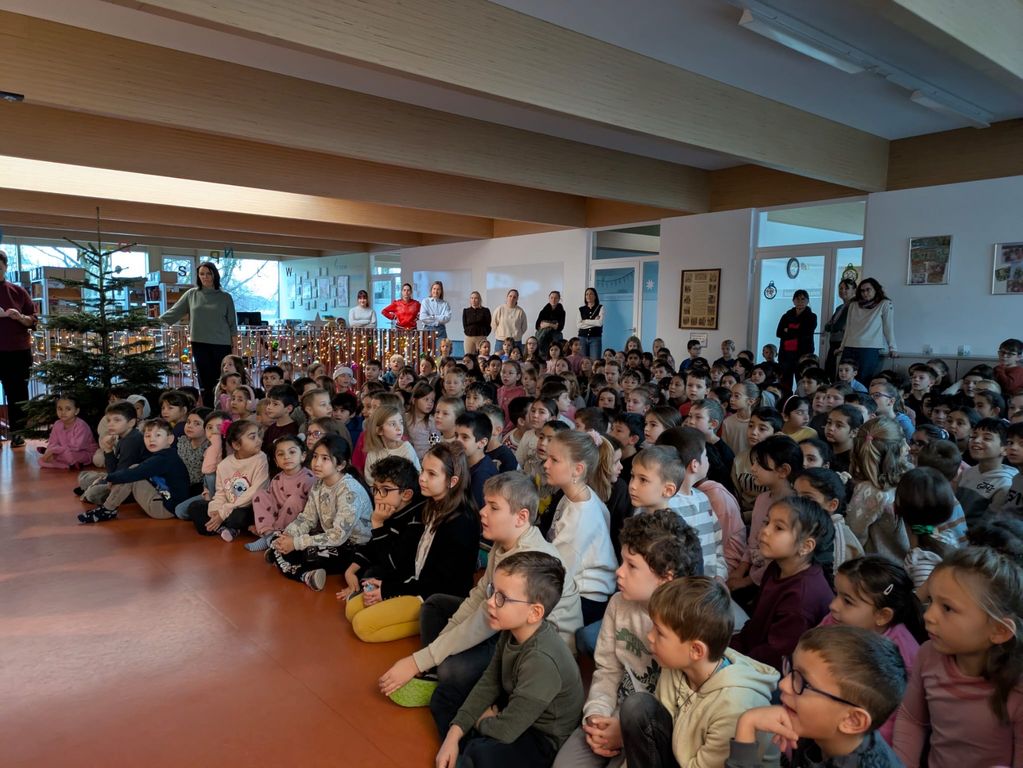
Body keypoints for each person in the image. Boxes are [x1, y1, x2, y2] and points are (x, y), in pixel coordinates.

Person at [379, 473, 583, 727]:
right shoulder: (503, 543)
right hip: (505, 624)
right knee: (435, 605)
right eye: (485, 504)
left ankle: (453, 678)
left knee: (452, 669)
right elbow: (480, 595)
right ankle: (438, 668)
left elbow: (483, 620)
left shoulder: (528, 561)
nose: (482, 512)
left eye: (493, 507)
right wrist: (438, 649)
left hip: (534, 651)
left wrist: (417, 661)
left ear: (521, 517)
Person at [553, 510, 702, 768]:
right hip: (612, 711)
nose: (618, 572)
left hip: (650, 733)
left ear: (665, 578)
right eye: (622, 561)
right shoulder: (618, 604)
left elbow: (678, 708)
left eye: (631, 566)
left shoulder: (686, 625)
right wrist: (596, 714)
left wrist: (623, 732)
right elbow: (608, 669)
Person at [435, 552, 584, 768]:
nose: (490, 602)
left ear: (534, 613)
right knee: (444, 695)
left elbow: (507, 730)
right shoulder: (511, 629)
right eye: (492, 591)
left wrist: (482, 721)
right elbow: (490, 682)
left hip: (542, 737)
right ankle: (467, 746)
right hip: (514, 705)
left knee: (481, 753)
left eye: (502, 598)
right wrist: (454, 735)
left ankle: (473, 747)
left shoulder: (542, 660)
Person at [619, 577, 778, 768]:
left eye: (659, 632)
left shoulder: (733, 707)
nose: (649, 636)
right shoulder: (677, 664)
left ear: (696, 650)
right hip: (683, 756)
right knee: (638, 708)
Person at [894, 542, 1023, 768]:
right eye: (930, 601)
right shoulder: (928, 655)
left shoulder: (1017, 690)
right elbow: (911, 719)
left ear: (999, 631)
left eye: (947, 608)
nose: (928, 615)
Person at [731, 625, 907, 767]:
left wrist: (747, 727)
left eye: (803, 682)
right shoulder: (821, 729)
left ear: (852, 720)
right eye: (791, 669)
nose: (784, 684)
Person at [821, 556, 925, 745]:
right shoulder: (835, 621)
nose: (833, 605)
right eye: (837, 594)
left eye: (847, 601)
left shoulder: (901, 659)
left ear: (882, 615)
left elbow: (888, 726)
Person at [730, 496, 835, 668]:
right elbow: (755, 627)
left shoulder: (802, 597)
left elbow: (775, 656)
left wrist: (727, 661)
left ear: (806, 546)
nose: (765, 530)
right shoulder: (776, 568)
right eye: (766, 522)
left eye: (778, 528)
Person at [267, 434, 372, 591]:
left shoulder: (349, 491)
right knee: (278, 537)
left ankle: (300, 572)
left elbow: (337, 536)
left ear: (340, 465)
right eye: (315, 456)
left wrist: (295, 543)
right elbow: (307, 518)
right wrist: (288, 536)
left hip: (354, 549)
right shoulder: (319, 485)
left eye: (325, 459)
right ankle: (283, 555)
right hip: (332, 540)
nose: (316, 463)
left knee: (306, 553)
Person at [544, 430, 618, 625]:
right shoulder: (576, 494)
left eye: (554, 460)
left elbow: (556, 570)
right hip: (573, 586)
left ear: (577, 470)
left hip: (585, 598)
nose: (546, 464)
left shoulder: (580, 516)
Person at [78, 417, 190, 523]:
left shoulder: (164, 458)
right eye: (147, 436)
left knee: (133, 473)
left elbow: (134, 473)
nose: (152, 439)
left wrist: (108, 477)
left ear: (170, 439)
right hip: (166, 503)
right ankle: (107, 506)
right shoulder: (165, 455)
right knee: (132, 471)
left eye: (158, 435)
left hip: (166, 508)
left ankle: (107, 509)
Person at [159, 261, 237, 410]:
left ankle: (224, 408)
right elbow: (174, 312)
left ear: (215, 275)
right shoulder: (191, 294)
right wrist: (153, 323)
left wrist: (234, 349)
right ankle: (208, 409)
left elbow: (233, 324)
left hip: (221, 344)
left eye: (208, 274)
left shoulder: (225, 297)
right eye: (202, 274)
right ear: (198, 276)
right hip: (199, 343)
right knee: (204, 379)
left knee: (222, 379)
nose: (205, 277)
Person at [188, 418, 269, 539]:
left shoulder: (261, 458)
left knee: (238, 516)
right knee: (195, 507)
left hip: (248, 507)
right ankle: (224, 529)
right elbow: (221, 494)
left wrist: (223, 513)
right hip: (228, 507)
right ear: (236, 445)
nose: (259, 440)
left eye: (258, 435)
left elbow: (255, 492)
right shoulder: (223, 465)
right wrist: (215, 510)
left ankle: (227, 527)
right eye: (252, 437)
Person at [248, 435, 316, 553]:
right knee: (260, 494)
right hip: (278, 517)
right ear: (276, 462)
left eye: (292, 452)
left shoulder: (309, 478)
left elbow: (312, 508)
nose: (286, 457)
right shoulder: (276, 479)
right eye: (281, 454)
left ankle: (276, 537)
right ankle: (269, 535)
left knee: (295, 500)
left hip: (297, 524)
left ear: (303, 456)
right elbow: (271, 503)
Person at [0, 250, 37, 446]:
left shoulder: (18, 291)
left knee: (18, 394)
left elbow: (33, 319)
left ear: (6, 267)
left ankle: (18, 433)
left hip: (17, 351)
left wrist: (20, 317)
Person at [838, 278, 896, 384]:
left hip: (869, 348)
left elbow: (888, 327)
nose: (865, 293)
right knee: (844, 379)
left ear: (876, 290)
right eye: (862, 290)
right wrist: (842, 347)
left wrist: (892, 347)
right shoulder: (854, 304)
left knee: (863, 379)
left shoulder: (885, 303)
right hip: (850, 345)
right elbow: (849, 327)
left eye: (868, 290)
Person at [37, 394, 97, 469]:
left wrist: (55, 451)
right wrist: (50, 450)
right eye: (60, 409)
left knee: (68, 455)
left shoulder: (81, 425)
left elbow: (76, 447)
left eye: (68, 409)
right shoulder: (57, 424)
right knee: (41, 460)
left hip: (83, 453)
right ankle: (69, 465)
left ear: (76, 411)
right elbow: (52, 442)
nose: (63, 412)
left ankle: (66, 463)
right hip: (63, 452)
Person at [776, 289, 818, 391]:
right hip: (786, 355)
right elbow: (779, 333)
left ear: (807, 301)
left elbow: (806, 333)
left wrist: (788, 330)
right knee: (785, 382)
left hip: (802, 354)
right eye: (797, 299)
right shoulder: (786, 316)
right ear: (793, 301)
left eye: (803, 299)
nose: (800, 301)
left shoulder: (812, 316)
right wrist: (796, 331)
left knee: (802, 380)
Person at [823, 278, 857, 380]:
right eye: (841, 288)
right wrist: (834, 326)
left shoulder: (854, 306)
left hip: (844, 343)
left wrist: (835, 326)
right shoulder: (840, 307)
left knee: (840, 373)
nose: (842, 291)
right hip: (834, 342)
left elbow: (838, 325)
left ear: (854, 290)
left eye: (846, 288)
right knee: (830, 370)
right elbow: (828, 326)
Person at [536, 290, 566, 357]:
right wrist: (553, 324)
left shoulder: (562, 312)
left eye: (556, 298)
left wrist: (547, 324)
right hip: (543, 337)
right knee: (543, 356)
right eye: (551, 297)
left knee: (555, 355)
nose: (553, 300)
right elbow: (537, 325)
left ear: (559, 299)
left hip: (555, 337)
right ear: (549, 298)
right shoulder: (543, 311)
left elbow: (560, 327)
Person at [577, 288, 604, 360]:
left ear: (595, 296)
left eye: (591, 294)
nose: (588, 296)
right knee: (582, 361)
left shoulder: (600, 307)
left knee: (595, 361)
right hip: (582, 338)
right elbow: (579, 325)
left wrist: (584, 321)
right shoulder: (581, 309)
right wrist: (594, 321)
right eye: (587, 294)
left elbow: (599, 323)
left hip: (595, 338)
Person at [462, 290, 492, 355]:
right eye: (472, 298)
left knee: (482, 356)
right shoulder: (466, 311)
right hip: (470, 337)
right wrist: (468, 332)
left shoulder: (485, 310)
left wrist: (484, 334)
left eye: (476, 298)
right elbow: (465, 325)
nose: (473, 300)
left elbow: (488, 324)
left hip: (481, 337)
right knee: (469, 356)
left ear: (479, 299)